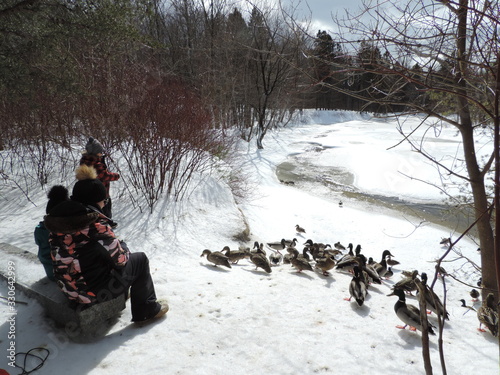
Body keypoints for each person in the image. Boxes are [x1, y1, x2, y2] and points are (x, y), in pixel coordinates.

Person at [43, 164, 168, 323]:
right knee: (140, 260)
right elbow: (121, 261)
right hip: (91, 294)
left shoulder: (60, 221)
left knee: (100, 258)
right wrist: (123, 246)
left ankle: (126, 293)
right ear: (97, 202)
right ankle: (147, 309)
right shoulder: (95, 227)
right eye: (104, 200)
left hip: (68, 288)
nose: (105, 203)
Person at [80, 136, 120, 225]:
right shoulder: (97, 164)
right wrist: (116, 176)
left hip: (90, 192)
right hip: (101, 192)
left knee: (95, 209)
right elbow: (104, 176)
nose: (101, 153)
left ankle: (103, 222)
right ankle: (106, 223)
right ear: (95, 153)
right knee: (104, 208)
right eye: (100, 152)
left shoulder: (84, 161)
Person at [34, 185, 69, 281]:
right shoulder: (66, 229)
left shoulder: (40, 229)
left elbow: (40, 246)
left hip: (50, 272)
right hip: (66, 275)